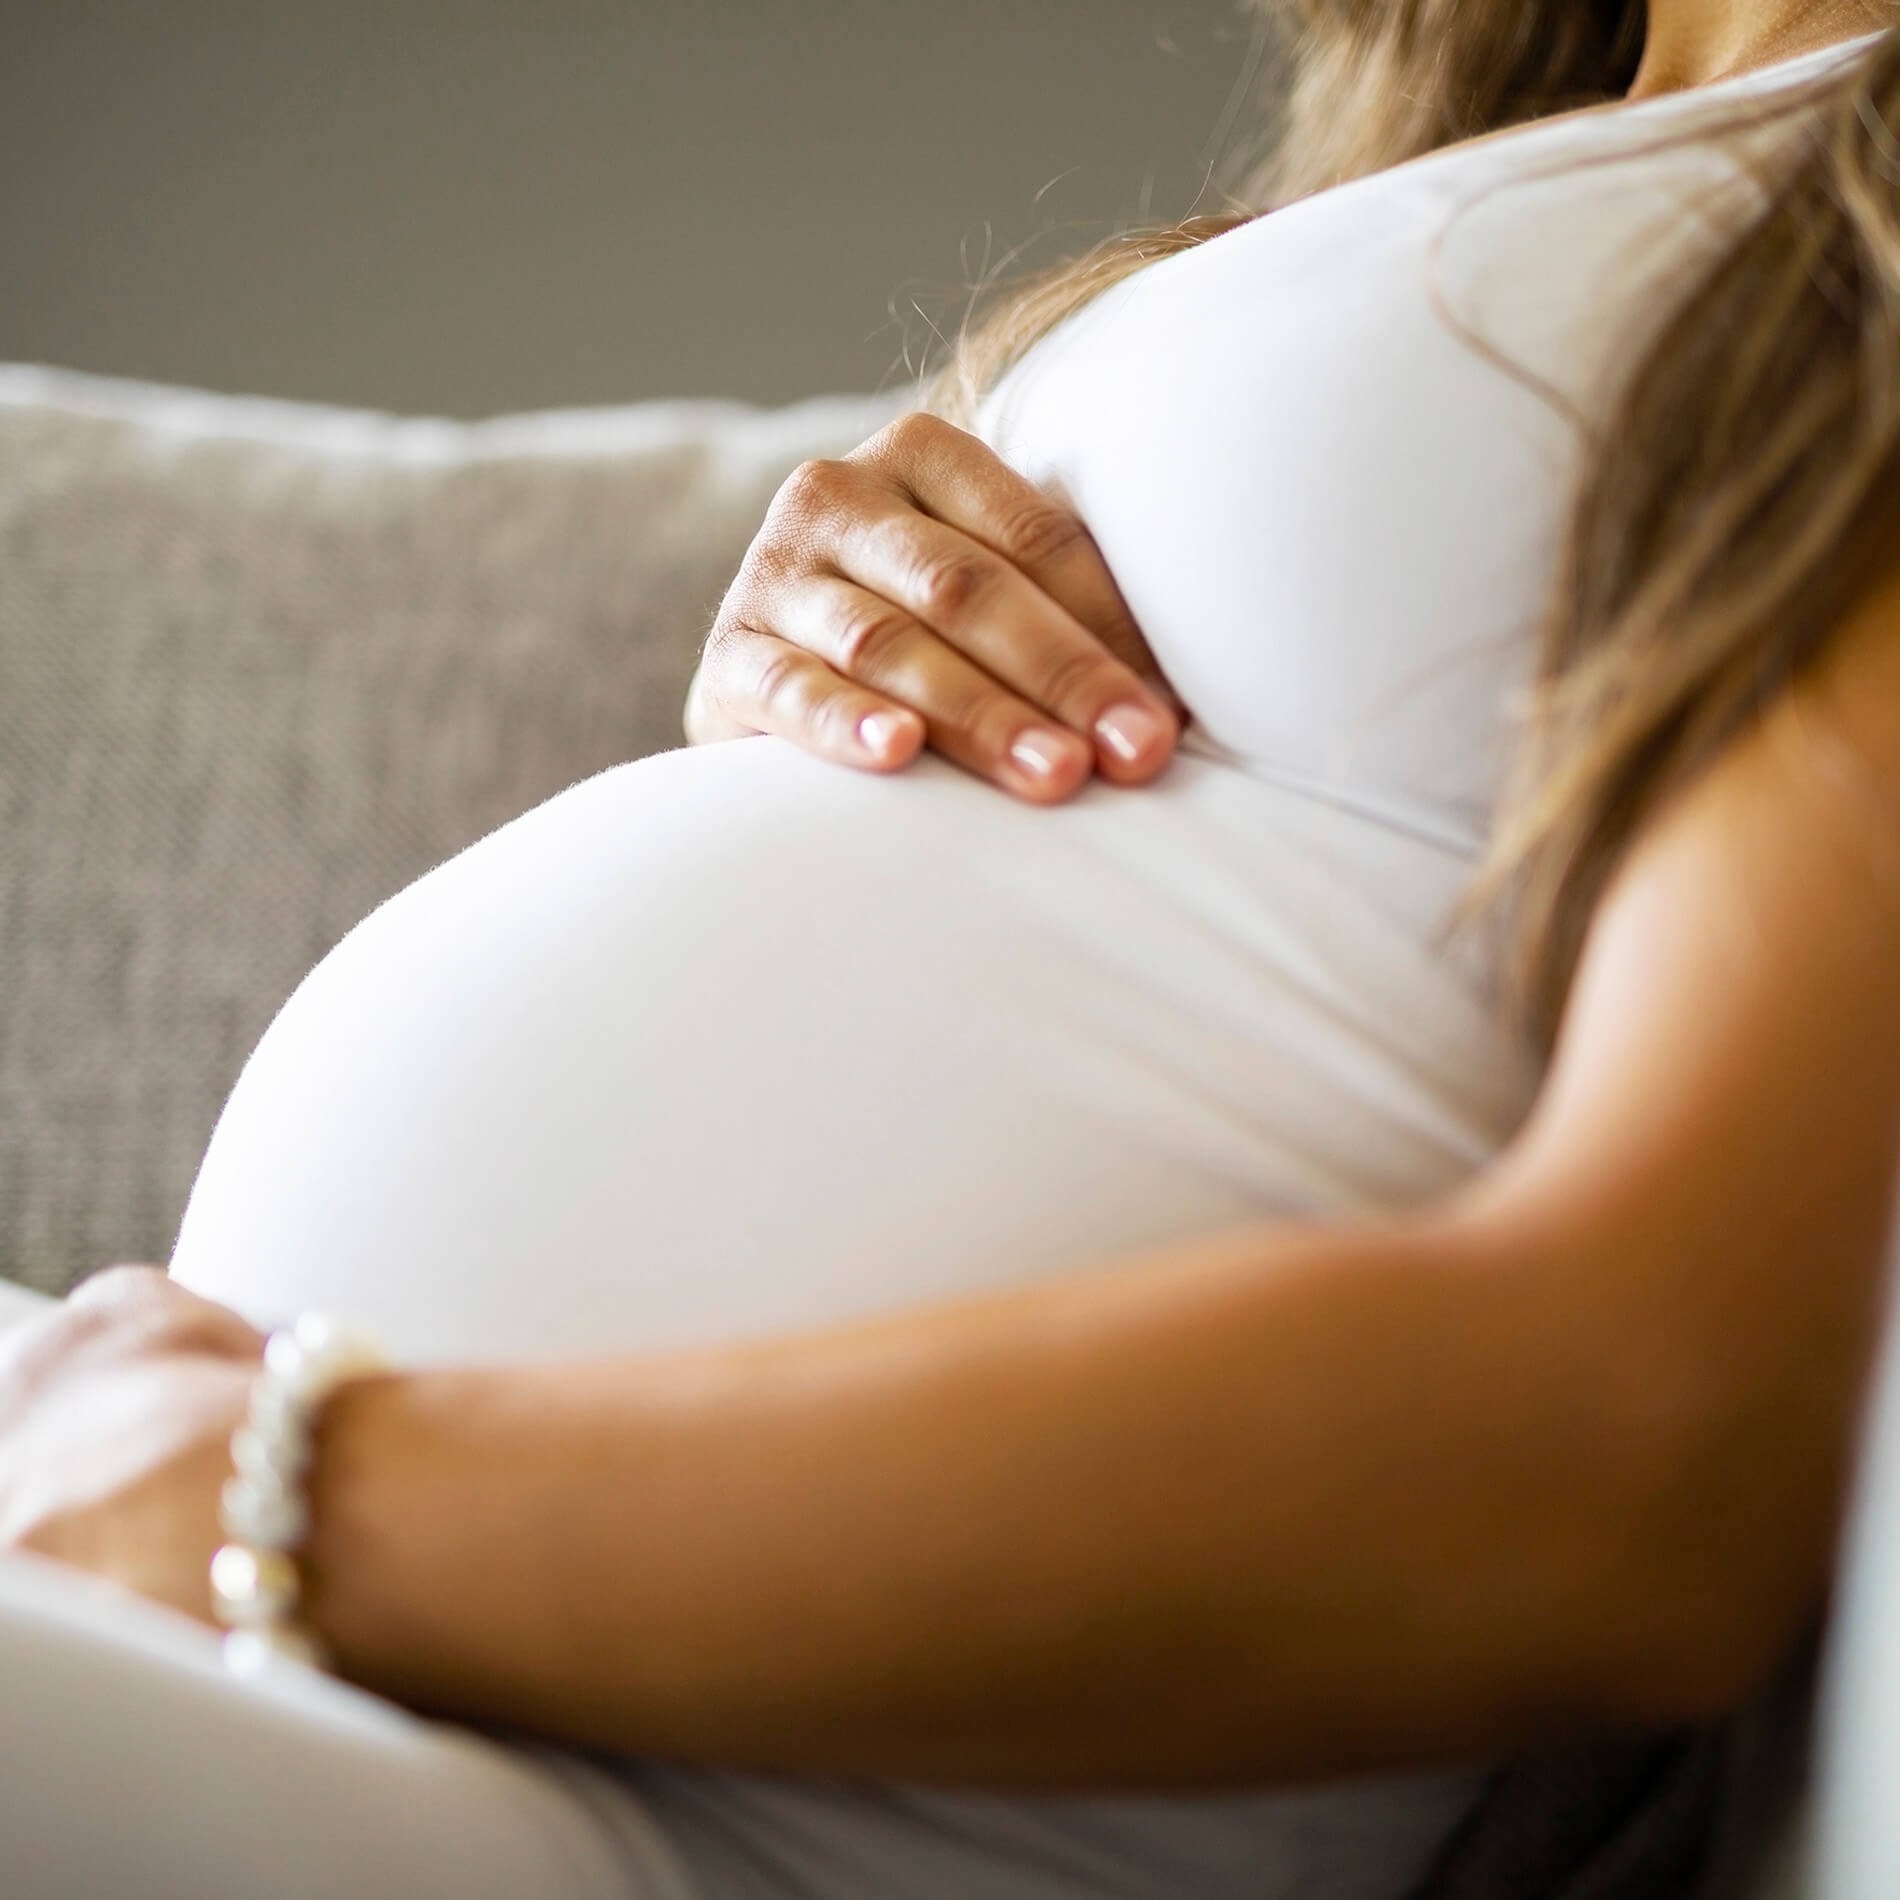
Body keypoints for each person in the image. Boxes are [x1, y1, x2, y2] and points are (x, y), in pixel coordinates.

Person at [4, 1, 1899, 1895]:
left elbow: (1639, 1437)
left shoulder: (1863, 200)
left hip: (709, 1805)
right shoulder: (1579, 145)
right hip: (334, 1622)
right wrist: (844, 671)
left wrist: (289, 1499)